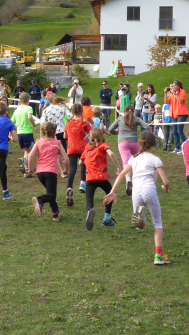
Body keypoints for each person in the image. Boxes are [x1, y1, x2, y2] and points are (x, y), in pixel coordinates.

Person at [105, 130, 170, 265]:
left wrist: (113, 192)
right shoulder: (155, 159)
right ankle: (158, 255)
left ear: (139, 143)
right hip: (149, 190)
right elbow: (166, 181)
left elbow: (121, 174)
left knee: (140, 227)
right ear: (153, 144)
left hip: (136, 192)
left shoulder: (133, 159)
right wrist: (166, 188)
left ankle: (140, 218)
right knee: (157, 222)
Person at [79, 128, 122, 230]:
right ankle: (107, 218)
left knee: (89, 199)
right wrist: (118, 167)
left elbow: (80, 162)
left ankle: (89, 212)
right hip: (101, 177)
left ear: (90, 137)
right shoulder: (103, 145)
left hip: (90, 178)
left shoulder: (87, 147)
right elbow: (111, 154)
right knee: (110, 193)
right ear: (101, 137)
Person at [108, 104, 151, 197]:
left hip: (123, 143)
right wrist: (142, 135)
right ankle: (138, 180)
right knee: (136, 161)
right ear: (133, 111)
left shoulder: (120, 119)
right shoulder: (136, 119)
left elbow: (110, 129)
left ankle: (128, 180)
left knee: (126, 162)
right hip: (134, 142)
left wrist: (116, 132)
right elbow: (147, 127)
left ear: (124, 111)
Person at [29, 122, 69, 221]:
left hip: (40, 173)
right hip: (50, 172)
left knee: (50, 193)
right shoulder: (57, 143)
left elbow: (30, 156)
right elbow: (66, 159)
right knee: (51, 195)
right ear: (55, 132)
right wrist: (66, 170)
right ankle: (40, 200)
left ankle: (55, 214)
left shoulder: (39, 142)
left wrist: (30, 168)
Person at [65, 103, 92, 204]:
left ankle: (69, 187)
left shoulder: (68, 123)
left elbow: (65, 136)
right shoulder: (84, 122)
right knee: (84, 164)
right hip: (82, 148)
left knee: (72, 169)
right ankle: (82, 183)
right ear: (82, 111)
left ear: (72, 112)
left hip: (72, 148)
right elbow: (91, 132)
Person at [11, 92, 36, 177]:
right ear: (28, 101)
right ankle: (24, 161)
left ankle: (26, 171)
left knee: (26, 151)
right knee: (32, 151)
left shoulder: (17, 110)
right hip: (28, 133)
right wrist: (34, 126)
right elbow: (29, 117)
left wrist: (16, 127)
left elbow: (12, 121)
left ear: (19, 101)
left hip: (20, 133)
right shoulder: (29, 108)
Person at [167, 81, 189, 155]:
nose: (173, 87)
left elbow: (180, 101)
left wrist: (175, 94)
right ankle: (177, 148)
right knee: (175, 131)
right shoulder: (172, 94)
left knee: (180, 131)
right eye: (172, 85)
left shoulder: (182, 92)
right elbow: (166, 102)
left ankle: (185, 148)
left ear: (179, 86)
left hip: (181, 113)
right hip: (174, 114)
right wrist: (165, 94)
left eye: (175, 85)